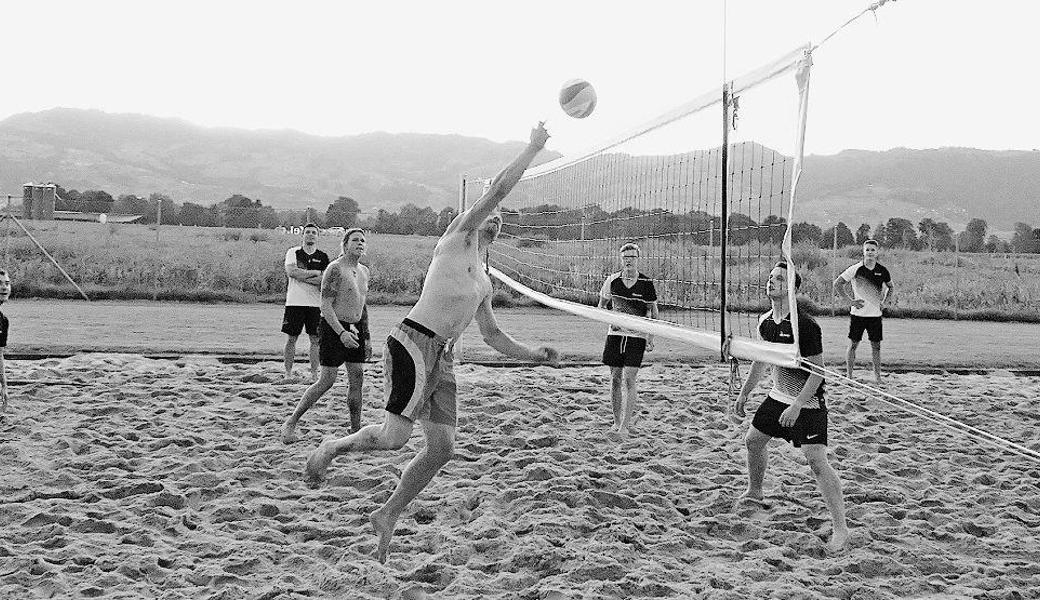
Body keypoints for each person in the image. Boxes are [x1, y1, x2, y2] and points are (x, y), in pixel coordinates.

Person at [303, 122, 559, 564]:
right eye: (490, 213)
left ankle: (388, 514)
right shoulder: (457, 238)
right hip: (412, 342)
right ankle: (332, 448)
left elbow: (492, 335)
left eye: (500, 218)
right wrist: (533, 148)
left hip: (443, 357)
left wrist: (534, 356)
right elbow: (497, 191)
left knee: (442, 448)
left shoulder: (482, 277)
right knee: (395, 439)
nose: (495, 218)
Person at [731, 262, 849, 553]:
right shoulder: (766, 321)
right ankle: (755, 491)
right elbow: (761, 360)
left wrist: (797, 405)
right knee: (753, 441)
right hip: (778, 395)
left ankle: (840, 529)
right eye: (770, 277)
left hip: (807, 402)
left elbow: (818, 372)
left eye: (779, 278)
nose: (771, 282)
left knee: (816, 461)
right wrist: (744, 394)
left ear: (793, 288)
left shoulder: (806, 325)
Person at [282, 228, 371, 442]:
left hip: (355, 327)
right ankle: (291, 422)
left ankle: (355, 429)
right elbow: (326, 305)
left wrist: (366, 337)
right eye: (355, 240)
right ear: (345, 244)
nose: (360, 243)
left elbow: (362, 304)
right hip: (333, 327)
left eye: (362, 240)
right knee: (327, 380)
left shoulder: (364, 271)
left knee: (357, 376)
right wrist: (341, 333)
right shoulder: (335, 269)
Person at [597, 242, 658, 437]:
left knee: (629, 378)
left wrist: (650, 336)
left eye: (632, 257)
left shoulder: (646, 283)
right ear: (621, 260)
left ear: (638, 259)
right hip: (615, 335)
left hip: (636, 336)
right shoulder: (612, 280)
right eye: (625, 257)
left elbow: (653, 312)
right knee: (615, 378)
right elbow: (601, 307)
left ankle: (625, 425)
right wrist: (610, 319)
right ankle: (616, 422)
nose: (629, 260)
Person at [833, 239, 893, 385]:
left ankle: (878, 378)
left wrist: (885, 302)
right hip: (858, 315)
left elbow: (891, 287)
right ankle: (849, 376)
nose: (870, 252)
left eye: (873, 250)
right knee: (853, 344)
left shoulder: (882, 270)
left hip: (875, 316)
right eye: (867, 250)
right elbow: (838, 283)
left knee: (876, 347)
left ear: (877, 252)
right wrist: (850, 301)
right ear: (863, 252)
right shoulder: (855, 269)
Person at [281, 223, 331, 381]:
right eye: (307, 232)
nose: (310, 235)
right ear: (302, 235)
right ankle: (288, 373)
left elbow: (324, 280)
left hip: (315, 304)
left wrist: (305, 276)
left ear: (318, 236)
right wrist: (315, 273)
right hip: (295, 302)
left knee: (315, 339)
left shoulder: (323, 257)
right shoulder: (293, 252)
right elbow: (292, 272)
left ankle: (314, 374)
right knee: (291, 338)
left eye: (313, 232)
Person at [0, 270, 10, 414]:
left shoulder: (3, 320)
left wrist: (4, 386)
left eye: (7, 283)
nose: (4, 287)